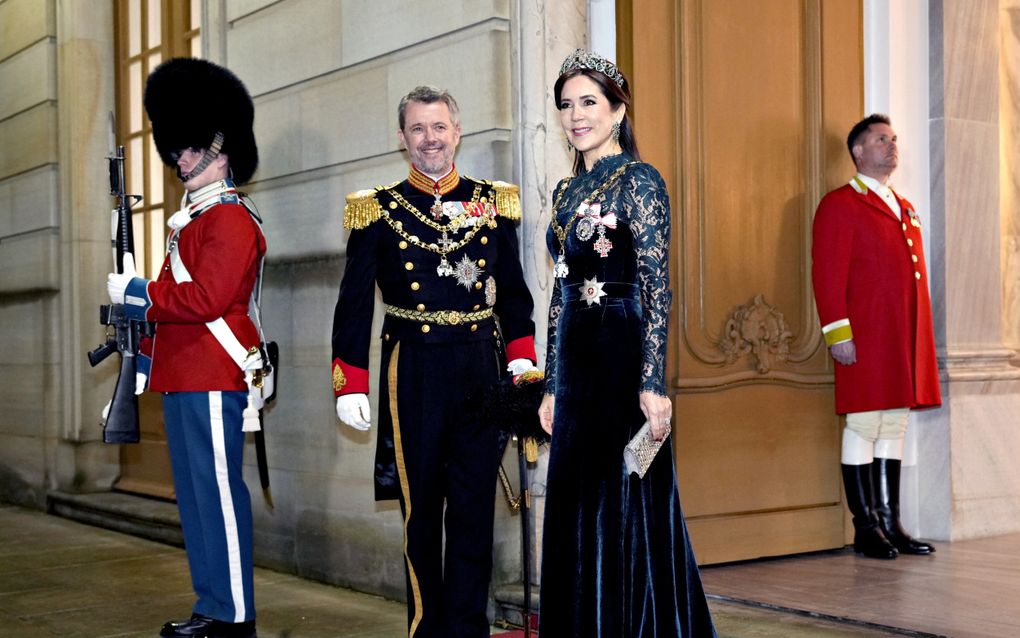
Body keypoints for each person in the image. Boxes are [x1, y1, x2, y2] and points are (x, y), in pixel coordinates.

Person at [330, 85, 537, 637]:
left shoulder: (493, 203)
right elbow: (353, 304)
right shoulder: (377, 209)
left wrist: (522, 361)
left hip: (480, 371)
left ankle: (468, 629)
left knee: (473, 512)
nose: (430, 139)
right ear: (402, 139)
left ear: (457, 131)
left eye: (439, 127)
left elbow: (514, 295)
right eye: (418, 129)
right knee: (421, 514)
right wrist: (349, 383)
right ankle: (426, 629)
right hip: (413, 372)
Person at [537, 49, 717, 637]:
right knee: (574, 505)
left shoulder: (640, 180)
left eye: (588, 102)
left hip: (621, 359)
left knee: (625, 504)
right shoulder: (567, 188)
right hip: (575, 369)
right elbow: (559, 296)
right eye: (566, 105)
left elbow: (656, 285)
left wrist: (651, 382)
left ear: (618, 110)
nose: (574, 116)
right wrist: (550, 383)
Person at [106, 58, 265, 638]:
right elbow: (178, 306)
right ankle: (213, 606)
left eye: (188, 147)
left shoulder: (228, 220)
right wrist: (139, 360)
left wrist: (138, 293)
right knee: (197, 501)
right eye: (176, 148)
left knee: (218, 497)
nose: (178, 158)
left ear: (219, 147)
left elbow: (203, 299)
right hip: (182, 374)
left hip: (213, 373)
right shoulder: (193, 221)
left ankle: (234, 617)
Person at [812, 113, 941, 560]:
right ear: (858, 152)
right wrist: (837, 333)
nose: (891, 146)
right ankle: (865, 526)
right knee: (864, 424)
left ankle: (891, 523)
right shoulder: (840, 203)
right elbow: (827, 276)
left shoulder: (903, 207)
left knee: (894, 423)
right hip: (864, 335)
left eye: (893, 139)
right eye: (880, 139)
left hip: (900, 338)